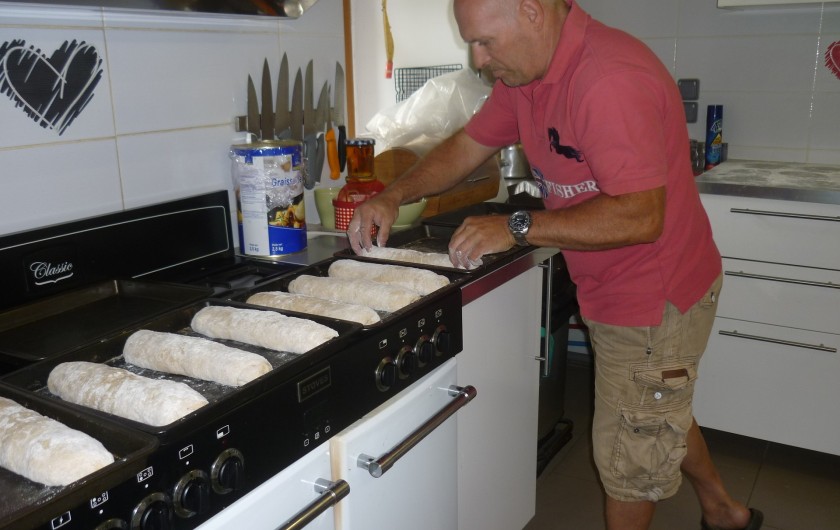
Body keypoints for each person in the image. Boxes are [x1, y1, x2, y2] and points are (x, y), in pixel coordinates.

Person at [346, 1, 763, 529]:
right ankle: (724, 511)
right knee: (651, 405)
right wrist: (392, 195)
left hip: (654, 295)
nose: (477, 59)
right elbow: (468, 146)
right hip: (613, 284)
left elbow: (641, 216)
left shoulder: (606, 80)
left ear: (531, 12)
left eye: (484, 42)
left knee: (628, 456)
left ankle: (722, 509)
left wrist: (517, 225)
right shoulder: (526, 76)